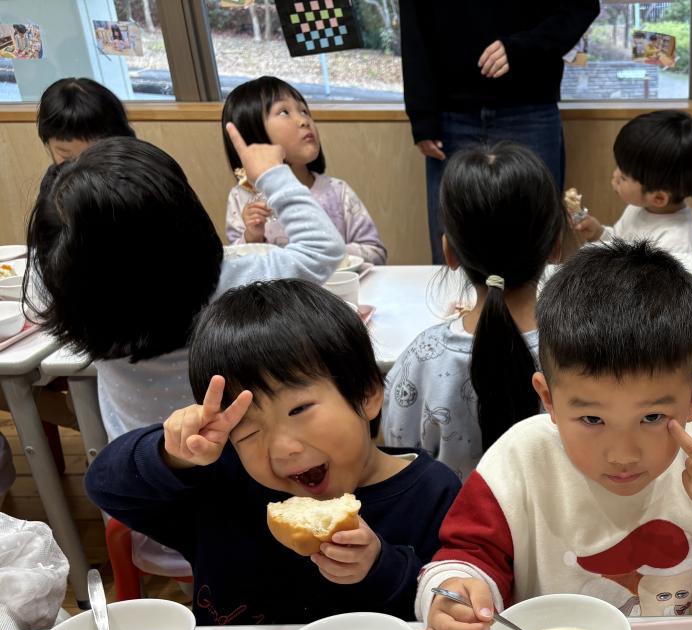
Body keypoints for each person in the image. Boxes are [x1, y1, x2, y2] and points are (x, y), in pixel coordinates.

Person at [415, 241, 692, 630]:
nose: (622, 454)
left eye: (652, 417)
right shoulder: (519, 458)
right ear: (549, 398)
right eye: (592, 419)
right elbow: (465, 557)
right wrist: (454, 594)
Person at [85, 281, 460, 626]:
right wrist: (172, 457)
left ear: (367, 393)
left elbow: (450, 611)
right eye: (247, 430)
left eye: (299, 410)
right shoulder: (220, 484)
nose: (282, 447)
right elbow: (104, 485)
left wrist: (380, 567)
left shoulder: (433, 494)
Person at [25, 127, 344, 442]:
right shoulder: (233, 282)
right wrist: (272, 173)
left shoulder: (77, 296)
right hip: (237, 456)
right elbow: (322, 248)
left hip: (141, 460)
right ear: (189, 220)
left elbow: (43, 278)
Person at [383, 142, 563, 478]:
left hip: (447, 515)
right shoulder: (583, 351)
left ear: (449, 252)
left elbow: (400, 460)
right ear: (555, 246)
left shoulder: (419, 361)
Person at [399, 1, 599, 264]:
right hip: (451, 115)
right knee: (452, 247)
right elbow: (413, 25)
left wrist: (525, 47)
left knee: (538, 242)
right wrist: (421, 114)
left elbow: (581, 7)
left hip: (530, 107)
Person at [222, 76, 386, 265]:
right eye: (284, 112)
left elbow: (375, 253)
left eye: (304, 111)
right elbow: (238, 266)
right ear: (252, 133)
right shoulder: (241, 198)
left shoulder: (338, 191)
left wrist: (327, 252)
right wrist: (251, 237)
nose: (303, 120)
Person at [572, 110, 692, 255]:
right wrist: (598, 234)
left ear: (658, 198)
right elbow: (620, 246)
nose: (615, 175)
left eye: (624, 177)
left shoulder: (676, 244)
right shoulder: (639, 208)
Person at [36, 76, 135, 164]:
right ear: (48, 144)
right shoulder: (55, 177)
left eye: (93, 157)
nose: (79, 167)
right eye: (66, 157)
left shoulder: (135, 173)